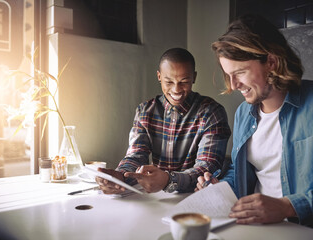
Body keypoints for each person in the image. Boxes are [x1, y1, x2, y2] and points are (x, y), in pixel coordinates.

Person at [196, 14, 313, 239]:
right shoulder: (244, 112)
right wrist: (220, 189)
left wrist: (288, 206)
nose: (233, 85)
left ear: (272, 62)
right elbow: (242, 170)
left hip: (305, 232)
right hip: (250, 229)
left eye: (239, 73)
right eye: (228, 75)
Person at [96, 47, 231, 194]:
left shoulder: (212, 113)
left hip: (195, 196)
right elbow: (136, 155)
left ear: (194, 77)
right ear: (159, 76)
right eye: (169, 82)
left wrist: (168, 180)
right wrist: (121, 176)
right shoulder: (145, 111)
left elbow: (207, 167)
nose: (176, 90)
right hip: (157, 197)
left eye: (184, 81)